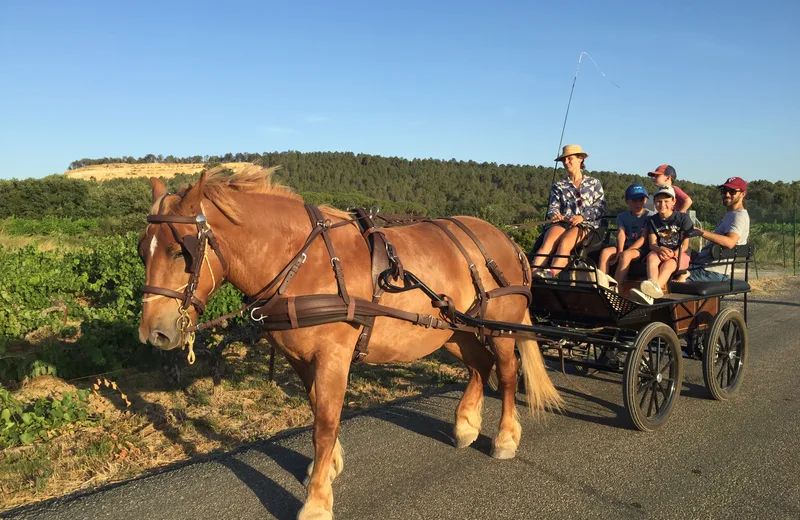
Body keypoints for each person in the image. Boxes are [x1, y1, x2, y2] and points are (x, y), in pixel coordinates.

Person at [530, 144, 606, 280]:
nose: (566, 162)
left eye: (569, 159)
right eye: (564, 160)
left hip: (586, 225)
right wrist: (554, 215)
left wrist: (582, 217)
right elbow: (553, 207)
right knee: (547, 242)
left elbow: (600, 208)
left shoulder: (594, 183)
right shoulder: (558, 186)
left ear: (580, 159)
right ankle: (533, 275)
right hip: (563, 223)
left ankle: (550, 273)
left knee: (565, 242)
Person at [629, 185, 694, 304]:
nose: (662, 204)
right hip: (660, 252)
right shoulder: (653, 220)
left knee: (668, 265)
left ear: (673, 202)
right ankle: (652, 287)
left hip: (679, 254)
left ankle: (650, 292)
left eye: (666, 201)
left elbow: (684, 245)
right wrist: (660, 249)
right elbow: (652, 244)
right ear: (654, 202)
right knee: (651, 257)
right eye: (659, 201)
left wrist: (673, 254)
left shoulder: (683, 219)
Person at [684, 176, 750, 282]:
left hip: (711, 271)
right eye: (724, 191)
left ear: (743, 194)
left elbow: (730, 242)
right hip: (707, 267)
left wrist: (700, 232)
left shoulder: (738, 216)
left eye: (732, 191)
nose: (727, 194)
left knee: (668, 277)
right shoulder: (731, 214)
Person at [597, 184, 655, 289]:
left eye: (641, 200)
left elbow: (643, 238)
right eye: (634, 200)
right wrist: (619, 250)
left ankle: (616, 288)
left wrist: (623, 252)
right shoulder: (621, 217)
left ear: (645, 200)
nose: (638, 203)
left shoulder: (650, 217)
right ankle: (602, 285)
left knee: (626, 255)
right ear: (627, 201)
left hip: (640, 249)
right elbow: (621, 233)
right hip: (625, 245)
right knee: (606, 252)